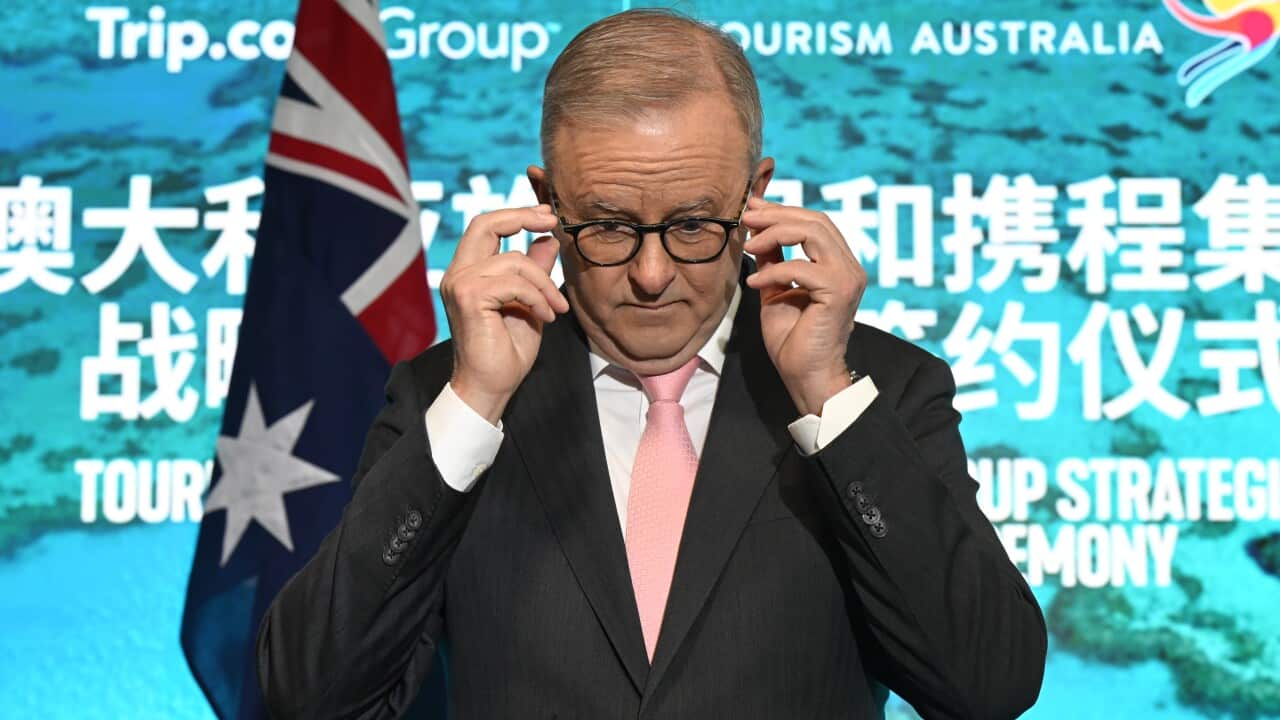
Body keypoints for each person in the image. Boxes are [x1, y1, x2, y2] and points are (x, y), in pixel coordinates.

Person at [256, 8, 1047, 719]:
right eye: (606, 226)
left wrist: (825, 396)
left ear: (757, 195)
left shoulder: (875, 386)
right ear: (545, 201)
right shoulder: (451, 393)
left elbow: (988, 685)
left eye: (695, 224)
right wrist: (472, 405)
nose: (652, 274)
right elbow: (314, 698)